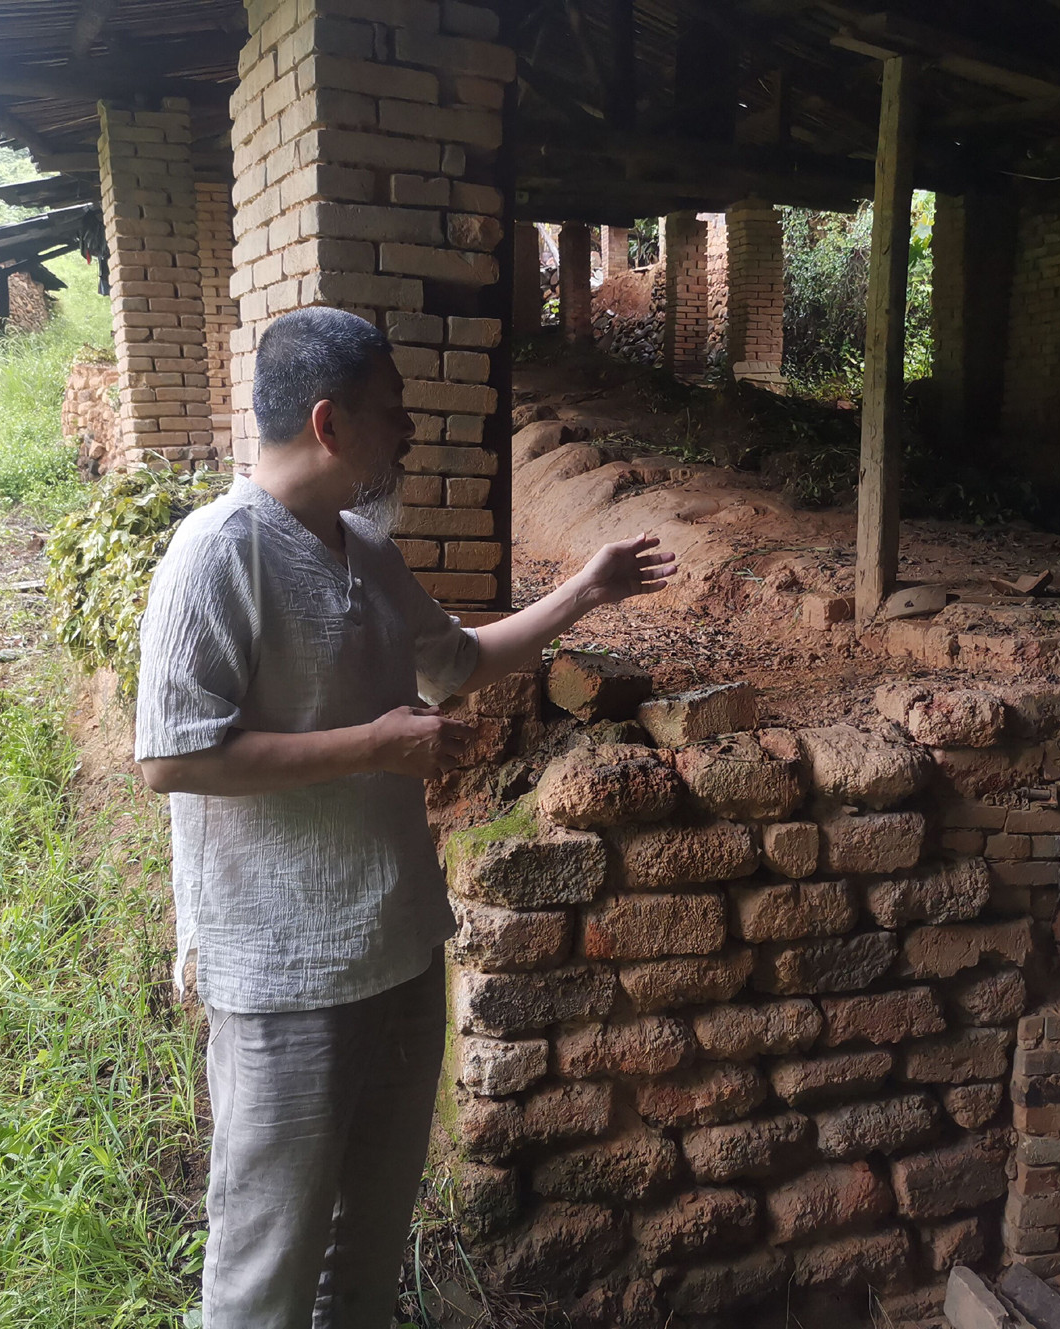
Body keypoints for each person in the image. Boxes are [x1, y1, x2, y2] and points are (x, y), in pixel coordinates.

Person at [133, 305, 677, 1329]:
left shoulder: (368, 551)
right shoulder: (216, 555)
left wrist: (582, 595)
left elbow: (457, 663)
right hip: (283, 973)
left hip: (397, 950)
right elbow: (170, 754)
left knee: (369, 1247)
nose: (412, 431)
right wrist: (374, 746)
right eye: (396, 411)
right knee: (267, 1259)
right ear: (329, 423)